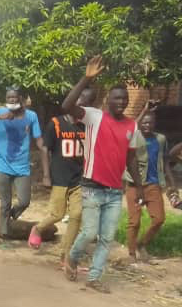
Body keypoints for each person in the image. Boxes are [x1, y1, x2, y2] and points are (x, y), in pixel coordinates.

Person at [61, 56, 144, 292]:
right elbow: (67, 107)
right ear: (108, 100)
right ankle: (73, 257)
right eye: (117, 98)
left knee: (106, 238)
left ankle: (95, 277)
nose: (122, 102)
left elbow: (131, 158)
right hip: (91, 187)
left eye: (125, 99)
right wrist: (86, 78)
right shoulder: (94, 116)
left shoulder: (132, 126)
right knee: (89, 233)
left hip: (114, 191)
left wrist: (138, 186)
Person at [29, 89, 94, 263]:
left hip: (79, 178)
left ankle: (65, 253)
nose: (83, 105)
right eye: (81, 101)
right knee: (57, 214)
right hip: (59, 177)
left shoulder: (87, 126)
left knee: (77, 215)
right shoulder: (56, 124)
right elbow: (44, 149)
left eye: (87, 103)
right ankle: (37, 228)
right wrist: (46, 175)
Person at [0, 89, 45, 238]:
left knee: (24, 201)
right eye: (8, 97)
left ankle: (8, 218)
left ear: (21, 99)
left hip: (22, 167)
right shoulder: (0, 113)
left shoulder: (31, 116)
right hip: (1, 165)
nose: (11, 100)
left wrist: (44, 151)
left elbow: (38, 138)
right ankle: (4, 233)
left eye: (14, 97)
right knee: (5, 202)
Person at [124, 112, 176, 263]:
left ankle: (142, 245)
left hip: (153, 184)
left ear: (154, 124)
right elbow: (130, 129)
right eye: (144, 123)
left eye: (150, 123)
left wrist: (171, 182)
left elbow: (165, 161)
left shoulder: (160, 139)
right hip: (134, 185)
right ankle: (132, 253)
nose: (147, 125)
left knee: (159, 219)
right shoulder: (134, 137)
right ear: (140, 124)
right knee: (134, 221)